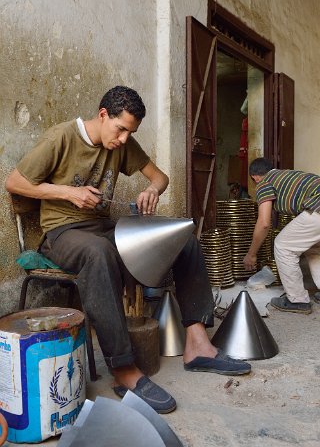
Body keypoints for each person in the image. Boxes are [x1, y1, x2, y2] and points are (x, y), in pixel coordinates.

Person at [6, 86, 251, 414]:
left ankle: (198, 345)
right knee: (98, 253)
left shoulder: (121, 142)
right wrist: (68, 193)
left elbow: (160, 177)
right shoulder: (60, 138)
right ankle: (123, 369)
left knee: (182, 238)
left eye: (130, 132)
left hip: (102, 230)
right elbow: (14, 182)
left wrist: (153, 189)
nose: (123, 139)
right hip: (63, 233)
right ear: (103, 114)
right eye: (120, 129)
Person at [243, 157, 320, 315]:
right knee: (313, 248)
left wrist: (251, 254)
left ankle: (297, 300)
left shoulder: (264, 183)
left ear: (254, 177)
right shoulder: (287, 175)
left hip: (318, 207)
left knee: (283, 245)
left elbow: (264, 223)